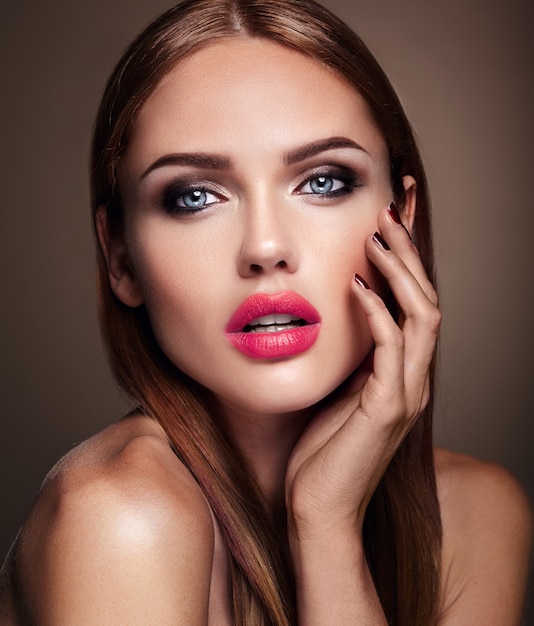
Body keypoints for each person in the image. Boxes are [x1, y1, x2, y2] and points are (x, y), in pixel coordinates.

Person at [0, 0, 531, 623]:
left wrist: (326, 525)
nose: (266, 248)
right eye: (195, 196)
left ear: (401, 220)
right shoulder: (122, 520)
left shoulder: (475, 513)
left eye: (324, 181)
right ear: (119, 255)